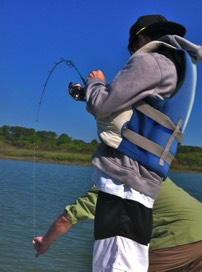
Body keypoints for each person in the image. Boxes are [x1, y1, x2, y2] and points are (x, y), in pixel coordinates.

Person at [33, 14, 202, 271]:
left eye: (132, 48)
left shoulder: (151, 59)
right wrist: (87, 95)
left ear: (141, 39)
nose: (132, 54)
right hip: (141, 182)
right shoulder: (174, 66)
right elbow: (134, 111)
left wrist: (96, 82)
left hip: (124, 180)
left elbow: (103, 106)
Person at [33, 178, 202, 271]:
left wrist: (45, 242)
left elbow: (67, 219)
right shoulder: (154, 174)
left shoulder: (114, 182)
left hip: (181, 238)